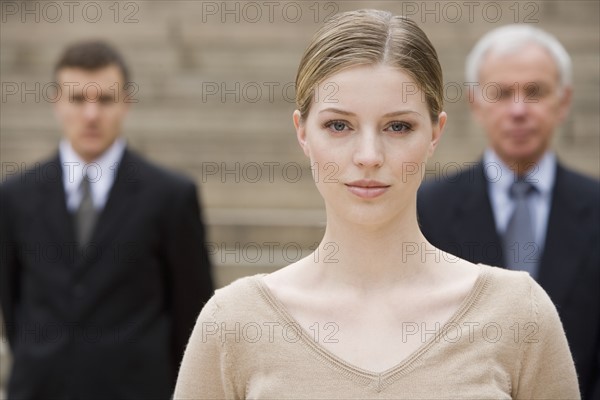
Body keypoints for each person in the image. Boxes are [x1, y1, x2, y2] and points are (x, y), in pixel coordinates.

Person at [174, 10, 579, 399]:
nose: (369, 155)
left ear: (435, 133)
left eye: (397, 126)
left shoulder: (518, 312)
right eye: (339, 125)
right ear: (302, 133)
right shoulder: (232, 322)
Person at [0, 40, 214, 399]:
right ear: (57, 102)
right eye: (78, 99)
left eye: (105, 99)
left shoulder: (171, 196)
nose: (91, 115)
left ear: (126, 102)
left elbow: (191, 310)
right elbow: (11, 301)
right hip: (40, 387)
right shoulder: (14, 195)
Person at [417, 24, 599, 399]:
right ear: (474, 103)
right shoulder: (427, 208)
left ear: (563, 102)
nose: (518, 110)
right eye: (499, 93)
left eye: (535, 92)